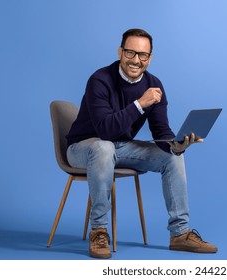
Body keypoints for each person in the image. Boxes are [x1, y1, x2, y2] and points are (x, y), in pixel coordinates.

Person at [66, 28, 217, 258]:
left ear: (150, 58)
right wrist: (139, 104)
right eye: (130, 53)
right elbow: (105, 131)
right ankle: (99, 230)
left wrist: (176, 145)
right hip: (83, 147)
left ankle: (179, 233)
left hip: (122, 147)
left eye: (143, 55)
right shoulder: (100, 80)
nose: (136, 60)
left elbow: (161, 130)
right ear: (120, 52)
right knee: (103, 147)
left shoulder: (154, 84)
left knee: (172, 157)